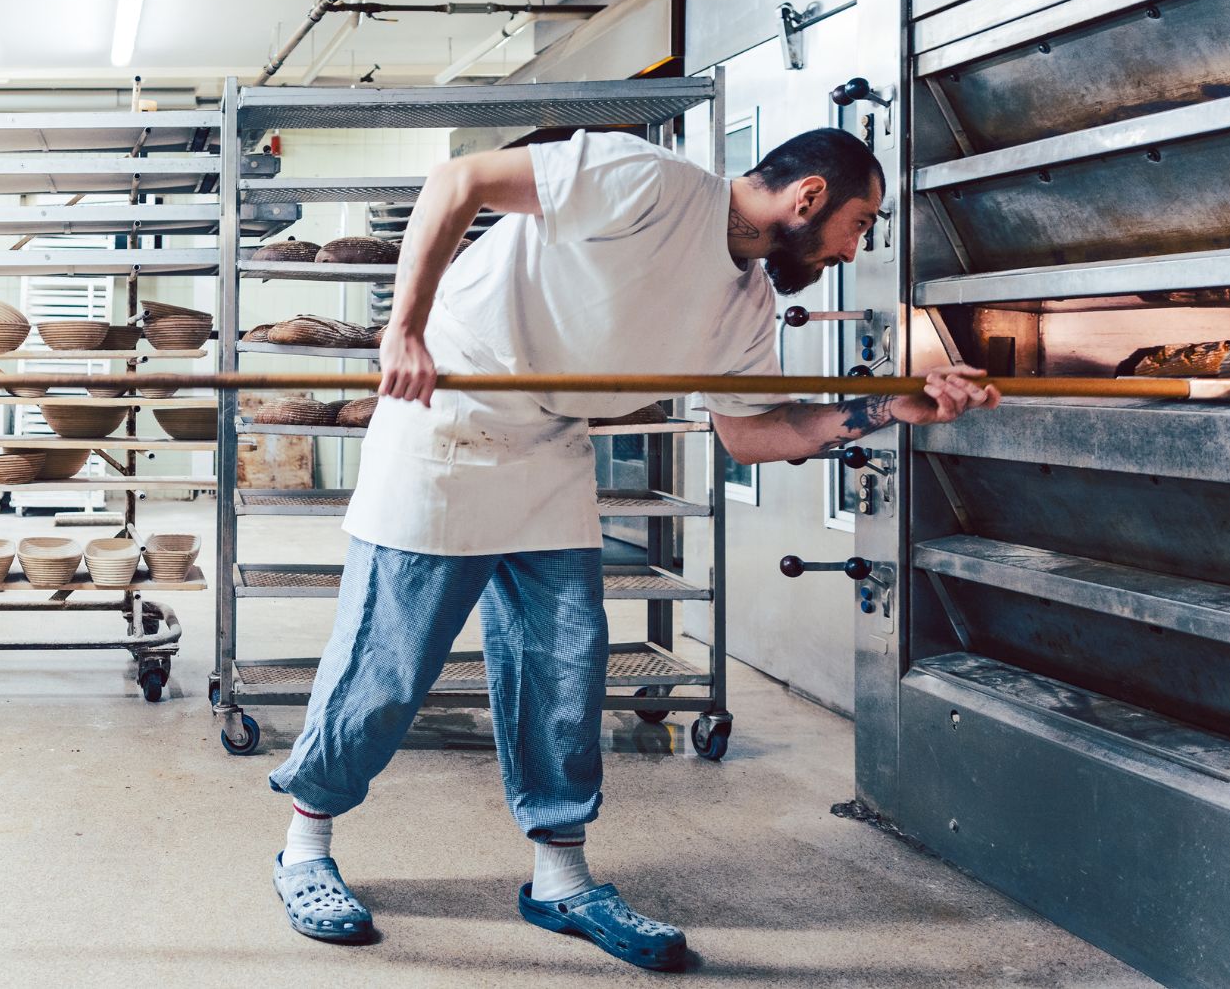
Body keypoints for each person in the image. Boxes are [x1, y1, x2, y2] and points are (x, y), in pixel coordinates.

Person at [266, 128, 999, 969]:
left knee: (564, 666)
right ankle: (306, 847)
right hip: (446, 424)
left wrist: (883, 410)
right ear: (809, 200)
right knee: (387, 667)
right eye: (858, 223)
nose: (853, 246)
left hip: (547, 448)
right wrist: (404, 329)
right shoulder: (645, 181)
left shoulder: (746, 303)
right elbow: (458, 179)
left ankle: (560, 878)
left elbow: (753, 436)